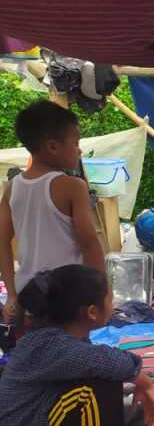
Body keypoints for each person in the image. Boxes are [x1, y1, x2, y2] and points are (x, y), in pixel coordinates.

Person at [0, 265, 154, 426]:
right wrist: (145, 383)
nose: (113, 306)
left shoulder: (66, 340)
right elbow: (111, 362)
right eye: (110, 299)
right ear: (92, 312)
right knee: (91, 390)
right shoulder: (49, 344)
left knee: (102, 380)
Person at [0, 100, 106, 322]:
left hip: (28, 299)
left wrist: (11, 294)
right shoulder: (72, 186)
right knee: (71, 355)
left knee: (34, 353)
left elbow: (2, 241)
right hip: (68, 300)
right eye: (76, 143)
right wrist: (102, 296)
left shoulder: (12, 188)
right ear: (53, 146)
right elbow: (89, 243)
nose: (79, 150)